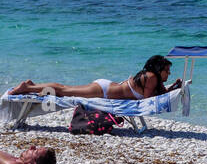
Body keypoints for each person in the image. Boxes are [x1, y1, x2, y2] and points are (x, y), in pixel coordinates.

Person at [9, 54, 181, 101]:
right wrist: (170, 91)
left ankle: (33, 85)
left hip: (105, 88)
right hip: (103, 91)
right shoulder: (150, 77)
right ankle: (28, 87)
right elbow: (147, 100)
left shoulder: (152, 78)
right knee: (64, 90)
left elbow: (156, 94)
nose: (169, 74)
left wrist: (173, 88)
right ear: (159, 70)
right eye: (167, 71)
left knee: (64, 90)